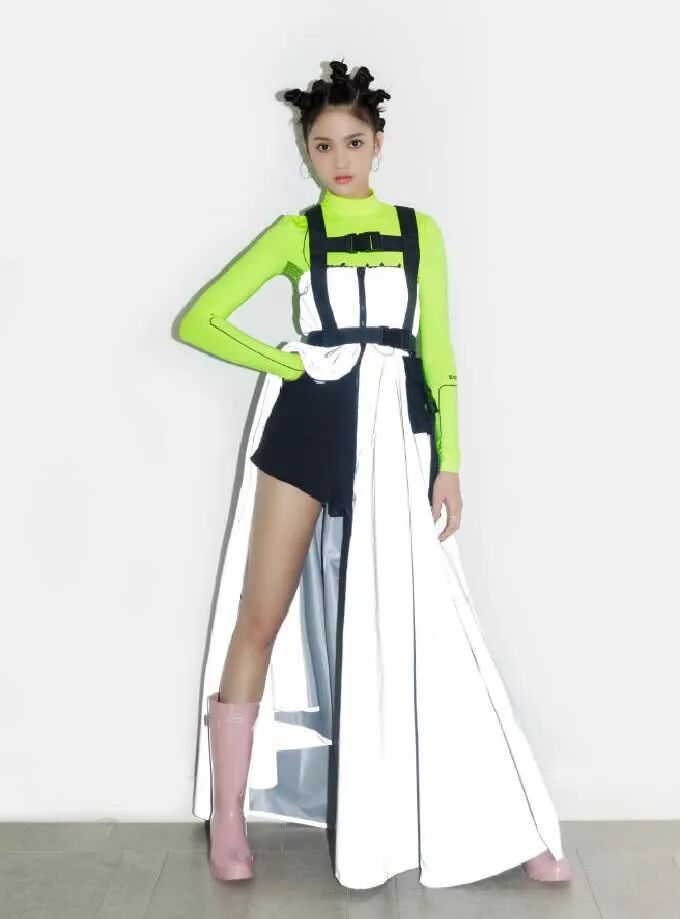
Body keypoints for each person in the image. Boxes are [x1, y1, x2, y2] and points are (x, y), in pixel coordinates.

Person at [176, 59, 572, 889]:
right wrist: (286, 364)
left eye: (353, 142)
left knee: (432, 616)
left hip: (395, 433)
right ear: (306, 150)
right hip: (307, 427)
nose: (339, 159)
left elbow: (440, 355)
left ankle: (507, 819)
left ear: (379, 143)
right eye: (323, 146)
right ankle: (230, 817)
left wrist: (450, 461)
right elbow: (202, 319)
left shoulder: (421, 232)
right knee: (261, 613)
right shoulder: (295, 234)